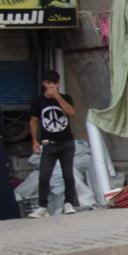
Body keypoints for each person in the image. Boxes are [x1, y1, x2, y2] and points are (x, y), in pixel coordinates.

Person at [27, 70, 79, 216]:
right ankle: (42, 206)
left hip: (66, 143)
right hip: (48, 144)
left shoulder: (65, 97)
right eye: (49, 83)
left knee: (68, 175)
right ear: (44, 83)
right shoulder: (37, 101)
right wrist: (34, 142)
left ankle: (69, 203)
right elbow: (34, 121)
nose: (52, 86)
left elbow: (72, 113)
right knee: (44, 175)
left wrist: (57, 97)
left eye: (55, 83)